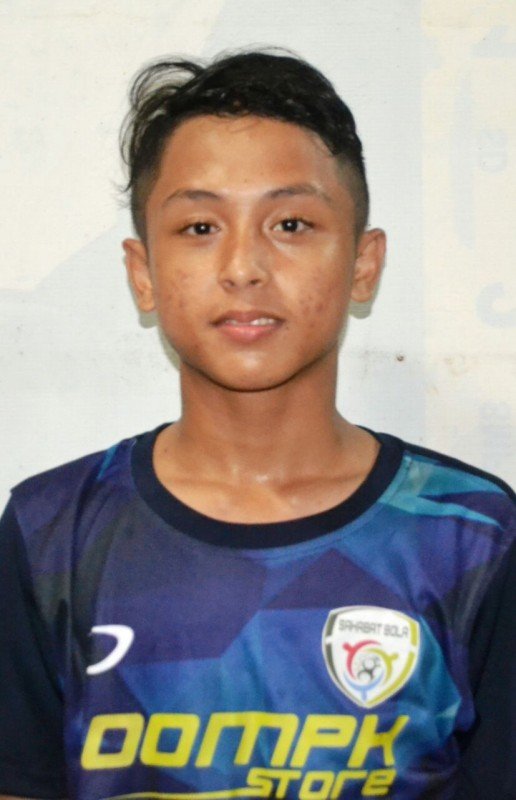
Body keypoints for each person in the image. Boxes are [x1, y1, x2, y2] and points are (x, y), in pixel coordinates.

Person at [0, 49, 514, 800]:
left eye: (291, 223)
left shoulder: (473, 533)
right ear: (142, 274)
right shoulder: (51, 534)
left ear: (363, 263)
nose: (243, 266)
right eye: (200, 226)